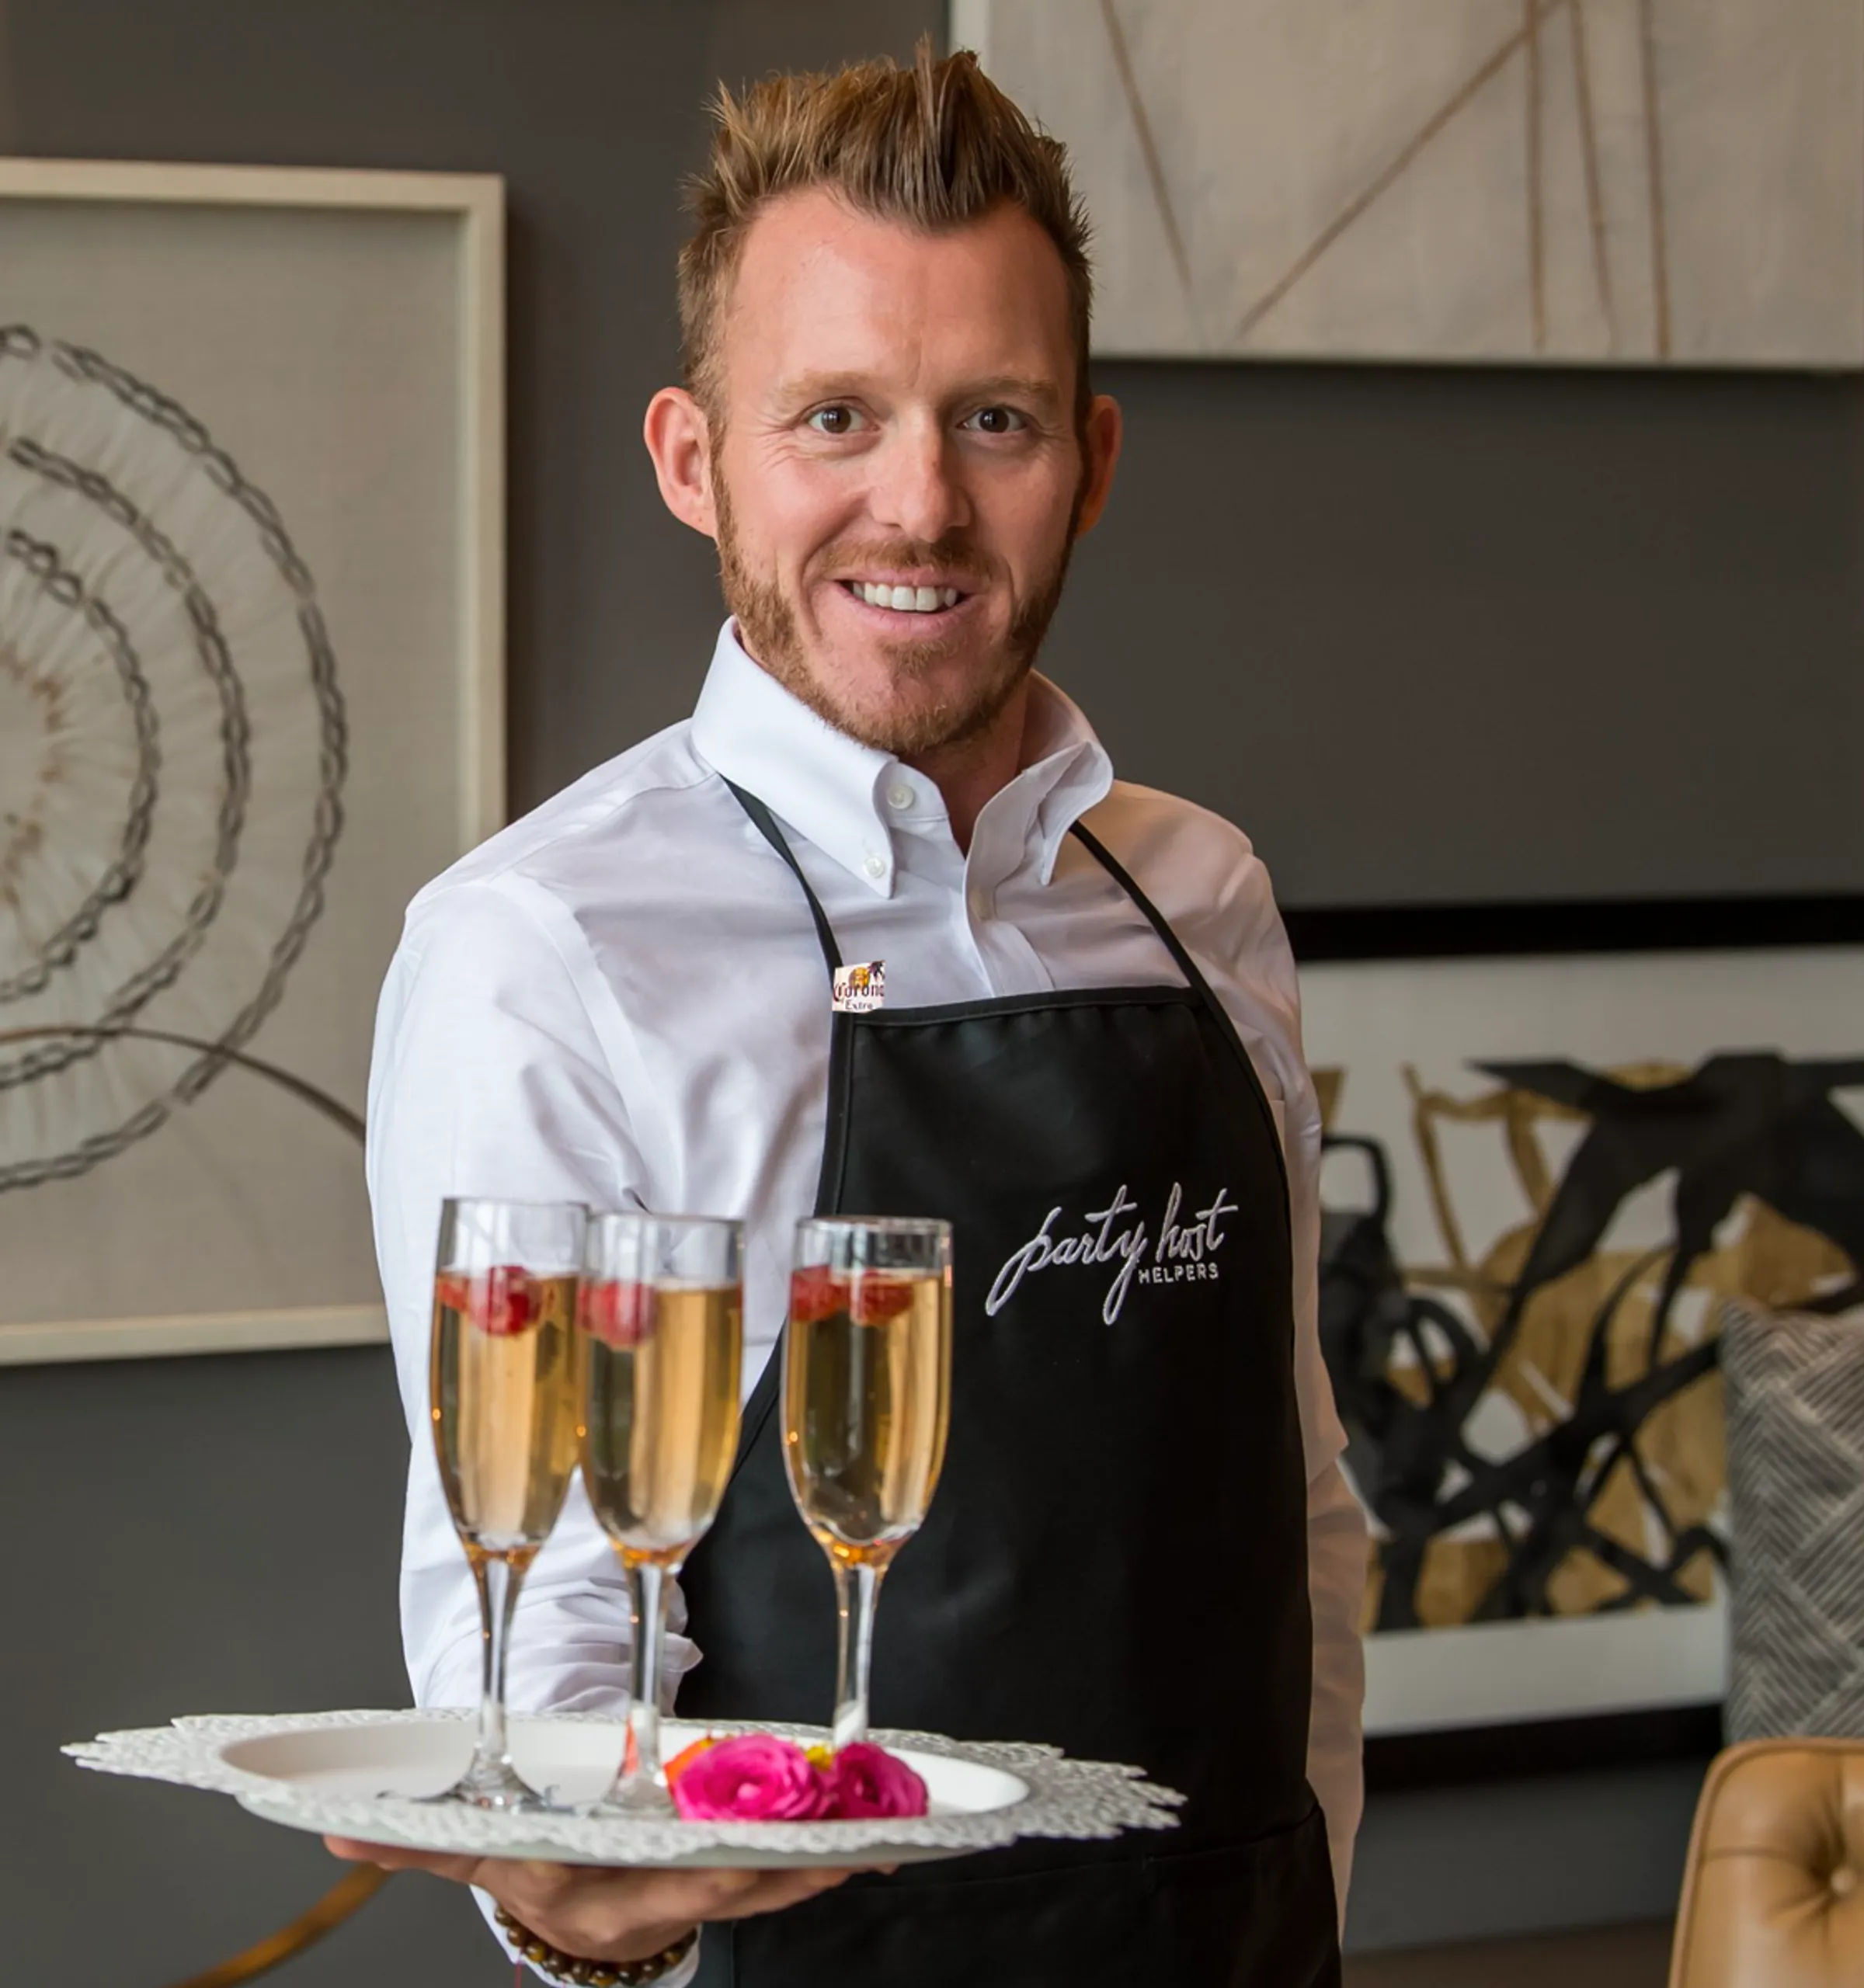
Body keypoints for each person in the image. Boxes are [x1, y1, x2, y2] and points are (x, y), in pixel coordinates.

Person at [334, 39, 1367, 1988]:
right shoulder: (544, 948)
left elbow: (1295, 1523)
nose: (921, 503)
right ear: (692, 458)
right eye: (833, 416)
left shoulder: (1201, 894)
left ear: (1094, 460)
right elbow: (542, 1634)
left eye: (996, 418)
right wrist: (590, 1931)